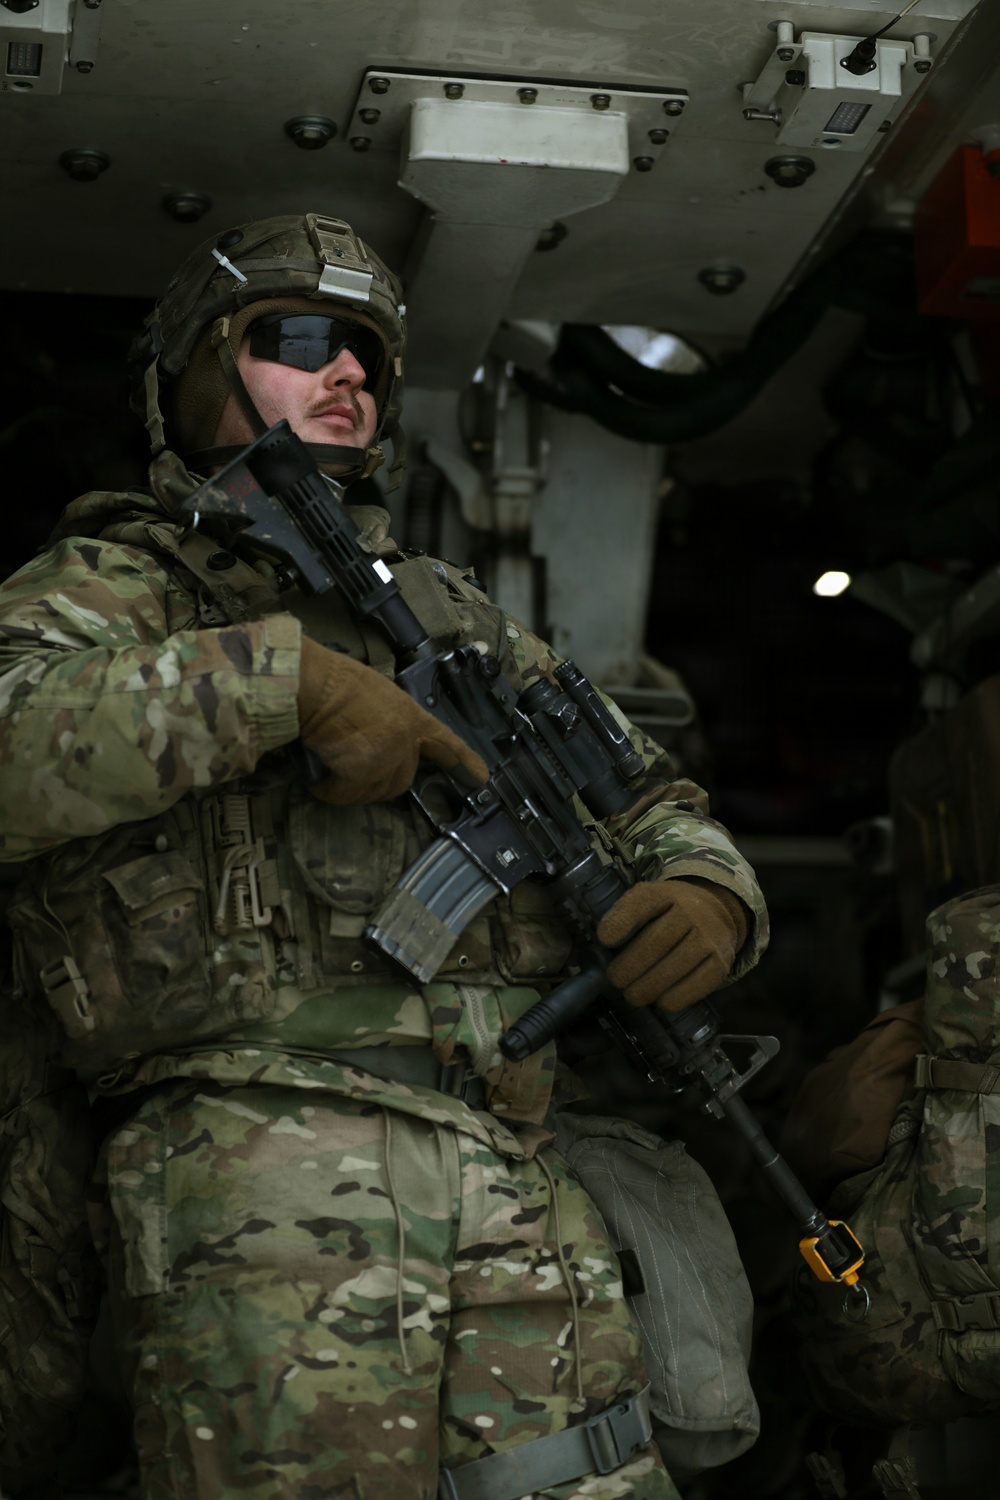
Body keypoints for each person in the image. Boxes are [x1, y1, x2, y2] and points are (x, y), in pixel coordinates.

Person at [0, 212, 769, 1500]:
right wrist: (273, 686)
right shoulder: (112, 587)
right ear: (187, 370)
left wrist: (709, 894)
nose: (347, 370)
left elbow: (644, 796)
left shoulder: (453, 615)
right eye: (300, 336)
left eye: (367, 349)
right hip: (263, 1162)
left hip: (516, 1155)